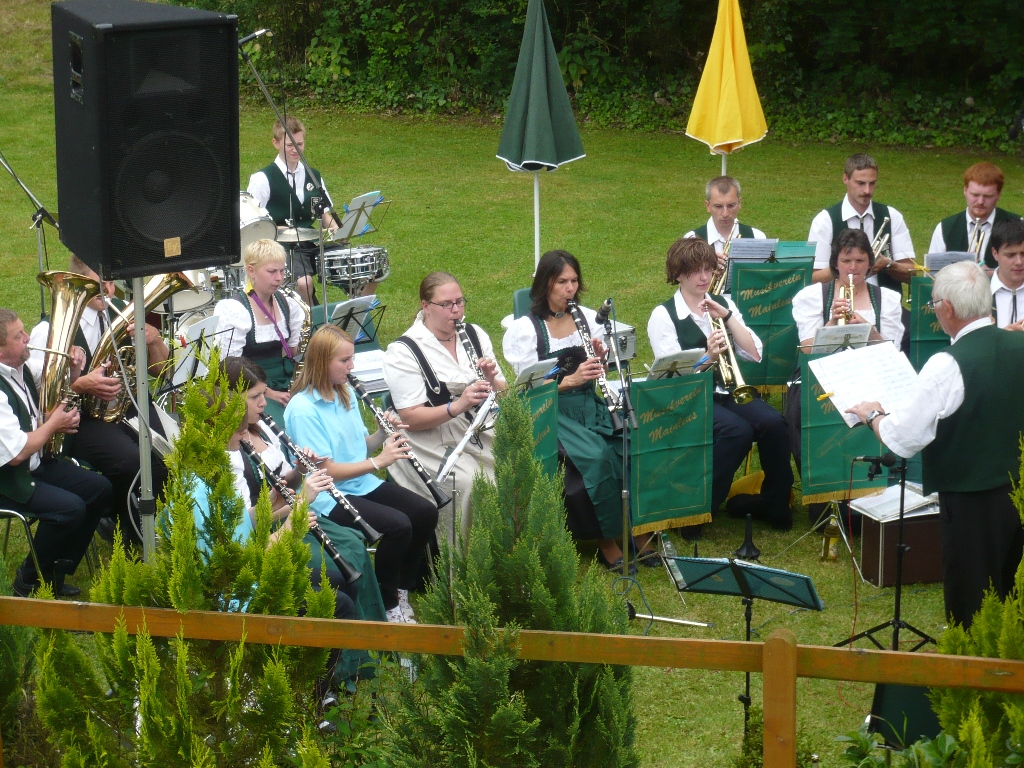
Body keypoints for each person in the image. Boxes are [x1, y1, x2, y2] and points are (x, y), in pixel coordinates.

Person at [846, 261, 1024, 629]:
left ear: (948, 309)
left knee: (972, 597)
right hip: (1018, 488)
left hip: (971, 498)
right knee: (1014, 590)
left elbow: (902, 437)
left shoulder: (947, 363)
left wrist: (872, 415)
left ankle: (970, 660)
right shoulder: (1018, 344)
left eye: (933, 305)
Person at [503, 250, 652, 571]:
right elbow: (527, 389)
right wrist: (569, 381)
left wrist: (601, 357)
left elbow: (601, 369)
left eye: (573, 281)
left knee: (628, 444)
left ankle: (637, 528)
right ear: (545, 284)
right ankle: (606, 540)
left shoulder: (585, 317)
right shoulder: (526, 330)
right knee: (596, 457)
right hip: (551, 410)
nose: (570, 288)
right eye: (562, 282)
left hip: (588, 404)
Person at [285, 324, 438, 623]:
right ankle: (389, 604)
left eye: (352, 358)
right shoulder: (303, 409)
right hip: (327, 495)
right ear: (322, 362)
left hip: (359, 483)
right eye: (344, 360)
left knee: (425, 512)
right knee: (398, 526)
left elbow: (357, 449)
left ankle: (402, 587)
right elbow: (325, 470)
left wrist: (381, 434)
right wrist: (379, 462)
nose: (352, 366)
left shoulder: (344, 393)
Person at [220, 356, 386, 623]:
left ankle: (372, 629)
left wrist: (300, 470)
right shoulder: (228, 449)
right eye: (254, 397)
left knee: (354, 545)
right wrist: (298, 505)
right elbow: (247, 523)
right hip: (270, 530)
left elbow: (286, 483)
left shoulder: (262, 428)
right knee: (338, 567)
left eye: (263, 394)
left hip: (291, 513)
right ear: (230, 399)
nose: (264, 403)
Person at [648, 237, 794, 530]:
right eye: (695, 271)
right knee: (737, 432)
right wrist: (708, 357)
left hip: (727, 391)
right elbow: (671, 376)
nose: (704, 277)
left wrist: (727, 317)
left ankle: (775, 504)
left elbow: (754, 353)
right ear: (678, 274)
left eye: (708, 269)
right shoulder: (664, 315)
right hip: (688, 397)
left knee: (775, 423)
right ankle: (697, 510)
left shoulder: (724, 303)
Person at [28, 254, 170, 551]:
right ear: (80, 281)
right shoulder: (50, 329)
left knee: (168, 453)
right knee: (132, 462)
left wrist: (155, 341)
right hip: (82, 419)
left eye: (112, 282)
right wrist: (81, 383)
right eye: (100, 283)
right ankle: (131, 534)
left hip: (128, 406)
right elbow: (39, 396)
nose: (109, 289)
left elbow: (161, 371)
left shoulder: (122, 310)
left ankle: (145, 522)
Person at [382, 272, 505, 546]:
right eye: (446, 304)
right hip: (428, 438)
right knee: (469, 482)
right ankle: (463, 558)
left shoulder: (474, 334)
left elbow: (503, 392)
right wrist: (459, 405)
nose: (456, 310)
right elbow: (410, 417)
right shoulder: (403, 351)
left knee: (512, 465)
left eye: (460, 302)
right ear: (426, 306)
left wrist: (491, 379)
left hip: (476, 426)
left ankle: (504, 550)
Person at [0, 308, 110, 597]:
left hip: (34, 465)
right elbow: (17, 453)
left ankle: (54, 573)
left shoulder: (20, 366)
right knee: (69, 508)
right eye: (18, 336)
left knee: (99, 488)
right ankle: (28, 579)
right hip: (9, 480)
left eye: (24, 331)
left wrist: (74, 368)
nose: (28, 338)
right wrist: (53, 425)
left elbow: (55, 383)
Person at [786, 228, 905, 469]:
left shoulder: (887, 299)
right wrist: (831, 323)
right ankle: (819, 473)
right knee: (801, 410)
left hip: (872, 376)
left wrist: (869, 330)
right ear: (835, 263)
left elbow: (892, 353)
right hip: (823, 378)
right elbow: (808, 351)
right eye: (846, 261)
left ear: (870, 263)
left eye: (860, 260)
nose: (853, 268)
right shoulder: (812, 296)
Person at [246, 115, 340, 306]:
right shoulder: (262, 179)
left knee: (361, 268)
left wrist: (339, 231)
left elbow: (324, 215)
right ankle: (311, 319)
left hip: (311, 243)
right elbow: (253, 225)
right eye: (290, 145)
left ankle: (358, 315)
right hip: (282, 248)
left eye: (300, 144)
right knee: (304, 283)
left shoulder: (313, 175)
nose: (296, 149)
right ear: (275, 143)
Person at [212, 239, 306, 426]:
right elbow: (230, 368)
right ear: (251, 271)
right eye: (272, 271)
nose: (279, 278)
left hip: (287, 382)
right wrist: (268, 393)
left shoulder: (288, 303)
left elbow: (295, 350)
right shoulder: (235, 310)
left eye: (282, 271)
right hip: (250, 390)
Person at [808, 153, 916, 290]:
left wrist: (888, 264)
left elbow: (912, 274)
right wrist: (845, 265)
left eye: (872, 183)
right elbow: (814, 278)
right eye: (860, 183)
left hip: (885, 301)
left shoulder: (892, 216)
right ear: (845, 179)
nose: (867, 190)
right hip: (840, 301)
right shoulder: (824, 221)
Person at [927, 162, 1022, 268]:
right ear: (965, 191)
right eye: (975, 195)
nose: (980, 201)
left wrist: (993, 274)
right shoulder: (945, 228)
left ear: (998, 194)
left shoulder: (1019, 225)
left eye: (988, 196)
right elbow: (932, 272)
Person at [684, 176, 767, 266]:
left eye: (731, 206)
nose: (725, 213)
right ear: (708, 206)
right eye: (718, 206)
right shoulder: (691, 239)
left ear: (739, 203)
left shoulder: (757, 237)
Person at [988, 219, 1024, 331]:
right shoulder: (976, 292)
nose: (1019, 262)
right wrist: (1004, 338)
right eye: (1010, 255)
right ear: (995, 253)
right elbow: (961, 339)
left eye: (1023, 254)